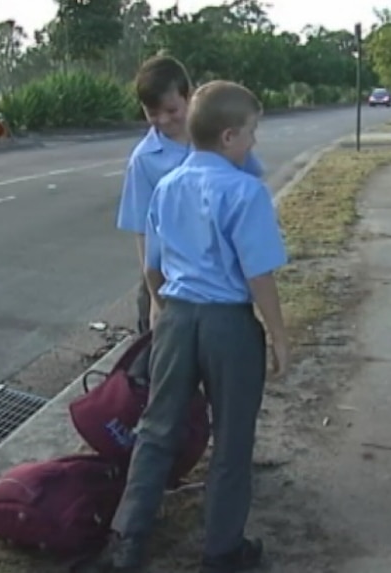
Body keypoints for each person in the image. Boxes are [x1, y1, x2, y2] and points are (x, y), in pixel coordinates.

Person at [85, 80, 289, 573]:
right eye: (250, 133)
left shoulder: (168, 185)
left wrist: (160, 305)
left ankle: (128, 540)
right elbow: (257, 272)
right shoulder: (245, 191)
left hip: (177, 316)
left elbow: (153, 263)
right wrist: (279, 334)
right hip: (228, 324)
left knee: (157, 429)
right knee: (232, 438)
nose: (253, 143)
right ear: (226, 137)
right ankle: (222, 549)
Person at [116, 55, 264, 338]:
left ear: (189, 96)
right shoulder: (144, 160)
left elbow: (249, 189)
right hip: (168, 278)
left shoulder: (222, 139)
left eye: (171, 110)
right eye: (152, 112)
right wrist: (154, 295)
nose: (163, 119)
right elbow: (143, 232)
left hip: (222, 279)